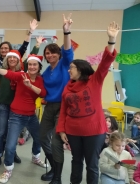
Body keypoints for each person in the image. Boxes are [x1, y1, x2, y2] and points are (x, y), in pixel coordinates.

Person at [57, 21, 120, 184]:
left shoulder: (95, 80)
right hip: (73, 131)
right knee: (76, 162)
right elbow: (63, 110)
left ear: (81, 69)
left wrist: (111, 40)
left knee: (91, 165)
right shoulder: (67, 87)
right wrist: (62, 130)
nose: (69, 70)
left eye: (71, 68)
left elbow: (105, 63)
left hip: (94, 131)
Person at [0, 52, 47, 183]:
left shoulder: (40, 80)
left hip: (31, 116)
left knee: (40, 138)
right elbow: (8, 74)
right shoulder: (21, 75)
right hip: (16, 114)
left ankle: (35, 157)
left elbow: (43, 93)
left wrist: (30, 85)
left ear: (39, 67)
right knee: (10, 145)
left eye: (35, 65)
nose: (32, 67)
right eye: (30, 64)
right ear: (27, 65)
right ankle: (8, 169)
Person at [0, 15, 37, 158]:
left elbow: (25, 48)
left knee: (12, 126)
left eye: (7, 48)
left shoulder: (15, 60)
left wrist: (30, 33)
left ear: (12, 51)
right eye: (2, 48)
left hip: (12, 95)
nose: (4, 50)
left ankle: (10, 151)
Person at [39, 13, 74, 183]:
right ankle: (54, 167)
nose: (50, 55)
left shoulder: (64, 64)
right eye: (47, 53)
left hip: (62, 107)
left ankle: (58, 177)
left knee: (56, 142)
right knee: (42, 137)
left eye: (53, 52)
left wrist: (66, 31)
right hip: (49, 107)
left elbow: (68, 51)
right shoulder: (46, 72)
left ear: (58, 54)